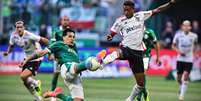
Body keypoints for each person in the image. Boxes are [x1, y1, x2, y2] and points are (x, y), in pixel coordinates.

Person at [96, 0, 176, 101]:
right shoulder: (120, 20)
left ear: (133, 9)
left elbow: (158, 10)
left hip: (138, 53)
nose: (125, 12)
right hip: (126, 47)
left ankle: (129, 99)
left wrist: (170, 4)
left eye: (128, 10)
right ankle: (102, 62)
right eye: (124, 10)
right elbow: (111, 34)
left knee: (141, 84)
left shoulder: (141, 15)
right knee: (118, 53)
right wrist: (109, 36)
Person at [19, 28, 105, 101]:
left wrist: (80, 69)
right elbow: (41, 53)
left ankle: (57, 94)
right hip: (67, 68)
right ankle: (94, 60)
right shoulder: (59, 44)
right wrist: (27, 59)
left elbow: (77, 61)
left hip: (76, 75)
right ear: (63, 37)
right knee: (87, 63)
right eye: (69, 36)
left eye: (74, 37)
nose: (72, 38)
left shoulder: (73, 49)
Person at [3, 21, 49, 101]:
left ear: (24, 27)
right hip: (27, 57)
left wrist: (50, 48)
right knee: (25, 81)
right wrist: (7, 52)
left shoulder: (29, 35)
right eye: (17, 27)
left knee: (23, 76)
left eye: (21, 27)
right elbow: (11, 45)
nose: (19, 29)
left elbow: (43, 40)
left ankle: (35, 83)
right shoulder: (13, 36)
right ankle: (37, 97)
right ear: (15, 28)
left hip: (36, 57)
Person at [172, 20, 198, 101]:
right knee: (179, 78)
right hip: (180, 59)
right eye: (184, 25)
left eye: (188, 25)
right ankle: (181, 87)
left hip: (189, 59)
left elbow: (195, 44)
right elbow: (173, 46)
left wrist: (194, 53)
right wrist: (179, 52)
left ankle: (181, 97)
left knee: (186, 76)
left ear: (190, 27)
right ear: (182, 27)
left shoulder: (194, 36)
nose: (186, 27)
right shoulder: (178, 35)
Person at [49, 16, 71, 101]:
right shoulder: (56, 31)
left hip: (69, 56)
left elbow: (73, 44)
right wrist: (51, 53)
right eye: (64, 20)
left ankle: (73, 94)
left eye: (67, 20)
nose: (66, 22)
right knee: (56, 74)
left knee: (70, 75)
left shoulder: (70, 31)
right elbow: (52, 43)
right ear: (61, 21)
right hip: (59, 57)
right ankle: (52, 95)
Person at [135, 28, 160, 101]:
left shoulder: (149, 32)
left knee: (143, 74)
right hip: (137, 56)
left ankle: (139, 97)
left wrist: (158, 57)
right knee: (139, 78)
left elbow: (156, 44)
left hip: (146, 55)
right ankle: (145, 93)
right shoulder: (134, 32)